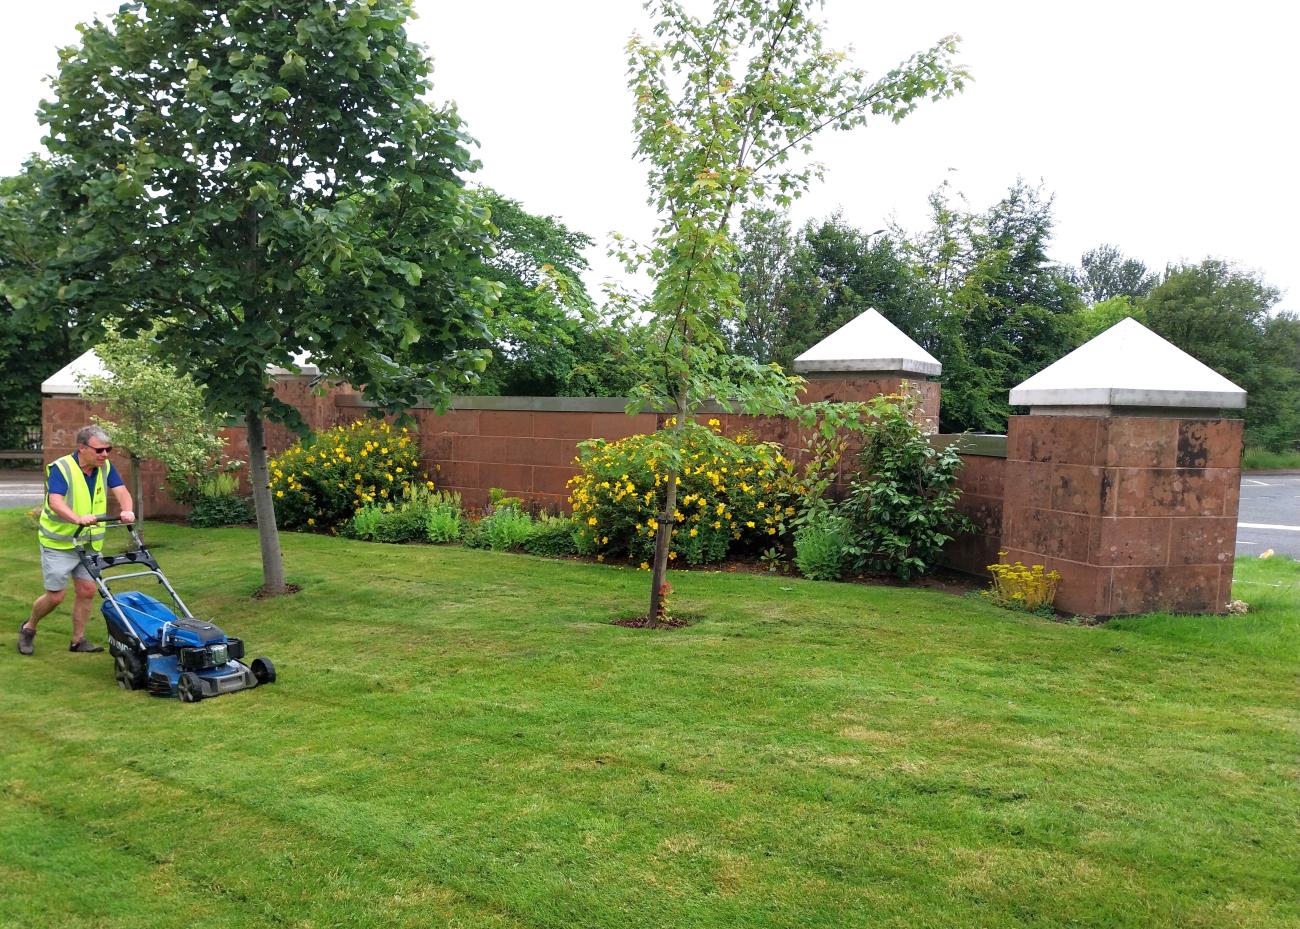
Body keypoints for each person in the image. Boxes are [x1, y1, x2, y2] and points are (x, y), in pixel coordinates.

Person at [18, 425, 135, 656]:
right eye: (100, 450)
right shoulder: (62, 468)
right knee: (56, 596)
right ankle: (29, 627)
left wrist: (127, 510)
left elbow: (121, 491)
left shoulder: (105, 467)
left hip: (89, 543)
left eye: (108, 449)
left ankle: (77, 640)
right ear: (82, 448)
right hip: (59, 543)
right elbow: (56, 502)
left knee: (87, 590)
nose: (105, 455)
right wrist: (78, 519)